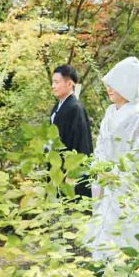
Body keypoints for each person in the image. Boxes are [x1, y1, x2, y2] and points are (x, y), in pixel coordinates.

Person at [85, 57, 139, 262]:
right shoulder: (111, 112)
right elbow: (101, 144)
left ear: (127, 84)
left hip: (128, 184)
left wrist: (118, 172)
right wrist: (99, 165)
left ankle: (130, 276)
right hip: (108, 182)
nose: (109, 88)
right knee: (106, 229)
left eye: (115, 84)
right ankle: (105, 273)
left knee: (130, 231)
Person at [49, 65, 94, 197]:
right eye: (53, 82)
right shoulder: (59, 106)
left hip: (69, 170)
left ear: (69, 84)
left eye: (57, 82)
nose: (53, 86)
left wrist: (74, 173)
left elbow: (81, 144)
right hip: (57, 166)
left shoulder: (75, 108)